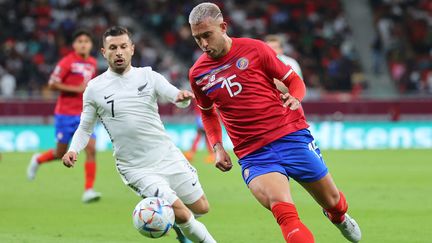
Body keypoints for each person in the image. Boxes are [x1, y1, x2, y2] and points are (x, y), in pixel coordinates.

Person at [188, 3, 361, 243]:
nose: (204, 44)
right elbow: (207, 113)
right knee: (285, 214)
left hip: (290, 135)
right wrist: (217, 147)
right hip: (254, 153)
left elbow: (294, 81)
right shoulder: (198, 73)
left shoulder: (255, 50)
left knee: (334, 201)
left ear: (223, 27)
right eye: (197, 39)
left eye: (207, 35)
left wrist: (294, 97)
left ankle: (338, 216)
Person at [61, 26, 216, 243]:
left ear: (132, 49)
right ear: (104, 52)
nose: (119, 52)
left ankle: (179, 226)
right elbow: (85, 127)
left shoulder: (148, 76)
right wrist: (73, 149)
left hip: (167, 155)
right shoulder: (95, 88)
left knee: (201, 207)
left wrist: (182, 98)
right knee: (179, 211)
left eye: (123, 46)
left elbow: (175, 97)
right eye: (112, 48)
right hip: (136, 167)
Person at [27, 30, 101, 203]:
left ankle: (88, 190)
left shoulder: (92, 63)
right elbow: (52, 84)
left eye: (86, 41)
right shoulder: (67, 62)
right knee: (61, 153)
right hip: (65, 114)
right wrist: (75, 89)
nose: (83, 44)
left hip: (84, 114)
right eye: (80, 41)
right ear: (74, 45)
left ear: (91, 45)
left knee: (91, 149)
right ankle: (38, 159)